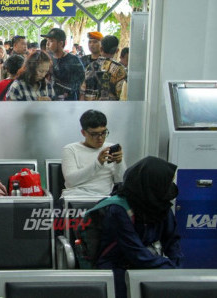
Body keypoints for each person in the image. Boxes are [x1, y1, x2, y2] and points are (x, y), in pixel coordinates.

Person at [97, 156, 183, 298]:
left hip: (150, 263)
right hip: (118, 268)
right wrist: (169, 267)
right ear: (153, 183)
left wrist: (177, 267)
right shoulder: (119, 209)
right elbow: (135, 251)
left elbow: (172, 240)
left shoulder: (160, 203)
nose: (169, 187)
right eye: (166, 182)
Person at [61, 109, 126, 197]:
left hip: (104, 198)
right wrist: (98, 163)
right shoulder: (71, 149)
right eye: (94, 134)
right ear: (83, 133)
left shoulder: (110, 149)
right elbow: (71, 181)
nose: (100, 138)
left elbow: (121, 182)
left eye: (103, 133)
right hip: (77, 197)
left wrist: (119, 163)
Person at [80, 35, 128, 101]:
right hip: (110, 108)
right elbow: (121, 95)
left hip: (90, 107)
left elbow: (82, 91)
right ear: (117, 50)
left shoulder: (90, 66)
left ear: (101, 49)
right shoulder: (120, 69)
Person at [42, 28, 85, 100]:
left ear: (61, 43)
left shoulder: (73, 60)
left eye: (51, 41)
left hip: (69, 102)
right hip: (49, 100)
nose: (47, 44)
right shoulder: (46, 58)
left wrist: (67, 92)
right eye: (47, 40)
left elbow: (80, 82)